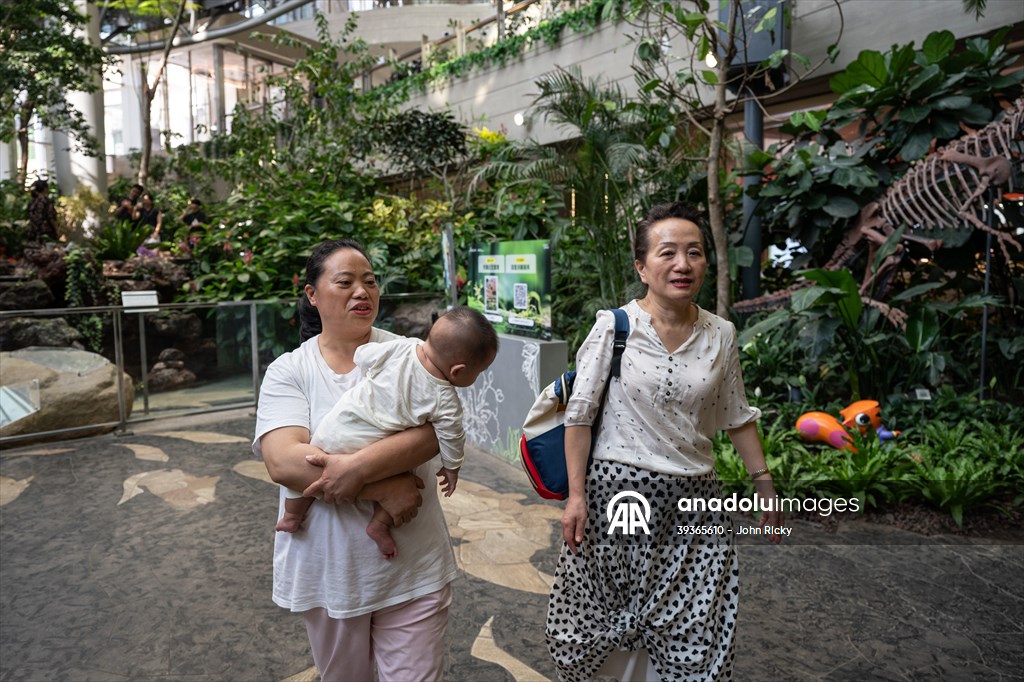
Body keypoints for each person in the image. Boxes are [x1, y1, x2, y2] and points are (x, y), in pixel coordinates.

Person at [546, 202, 783, 681]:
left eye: (694, 253)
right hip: (618, 498)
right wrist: (575, 496)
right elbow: (579, 415)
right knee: (612, 622)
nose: (682, 264)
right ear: (642, 266)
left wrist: (764, 484)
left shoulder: (721, 334)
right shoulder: (615, 327)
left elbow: (737, 416)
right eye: (668, 252)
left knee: (698, 620)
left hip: (697, 500)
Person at [254, 238, 458, 682]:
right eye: (345, 282)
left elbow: (433, 434)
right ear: (312, 294)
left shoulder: (411, 353)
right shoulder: (290, 370)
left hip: (414, 565)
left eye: (369, 282)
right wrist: (381, 485)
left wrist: (356, 468)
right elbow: (284, 462)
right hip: (332, 574)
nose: (361, 292)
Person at [276, 305, 498, 561]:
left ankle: (292, 515)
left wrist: (371, 372)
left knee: (311, 467)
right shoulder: (445, 399)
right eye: (478, 372)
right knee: (407, 472)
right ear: (458, 370)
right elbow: (452, 436)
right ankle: (379, 524)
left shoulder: (405, 347)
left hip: (339, 427)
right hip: (375, 446)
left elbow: (365, 355)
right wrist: (452, 466)